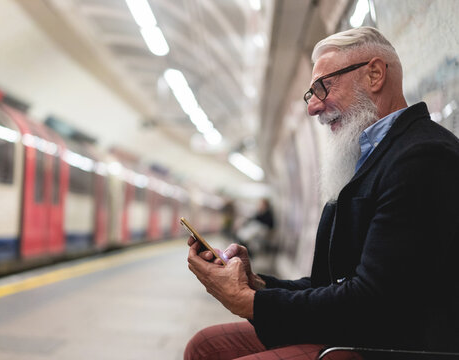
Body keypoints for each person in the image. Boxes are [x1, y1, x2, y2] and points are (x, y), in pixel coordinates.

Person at [185, 26, 459, 360]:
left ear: (375, 74)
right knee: (205, 346)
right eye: (310, 94)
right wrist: (255, 283)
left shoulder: (423, 157)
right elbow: (328, 284)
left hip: (389, 345)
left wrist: (248, 302)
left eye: (322, 87)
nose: (313, 107)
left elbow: (372, 300)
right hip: (353, 332)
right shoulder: (363, 161)